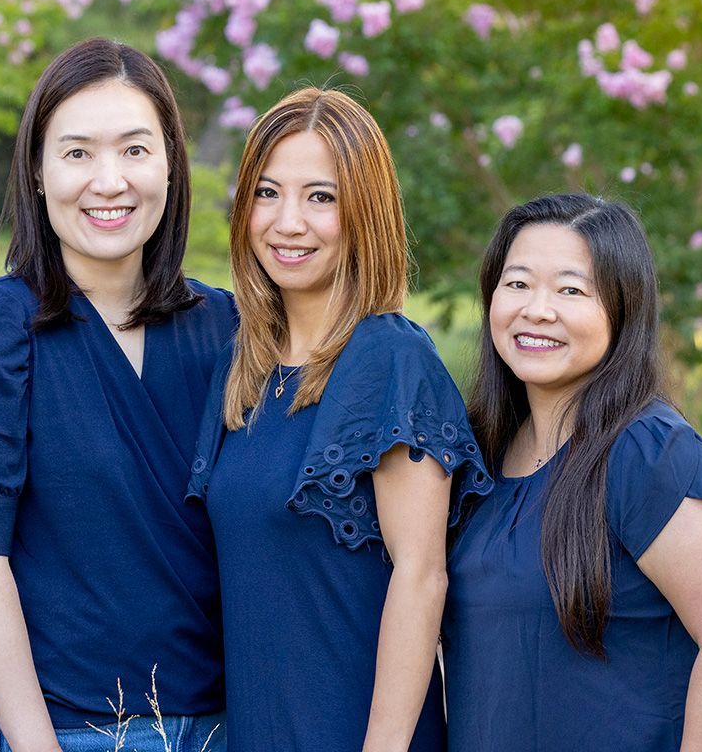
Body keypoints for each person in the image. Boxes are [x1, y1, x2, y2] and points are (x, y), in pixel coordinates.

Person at [0, 38, 235, 752]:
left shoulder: (227, 327)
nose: (109, 181)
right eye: (77, 153)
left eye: (135, 150)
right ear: (37, 172)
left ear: (171, 163)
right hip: (61, 728)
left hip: (224, 725)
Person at [187, 87, 487, 751]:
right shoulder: (242, 367)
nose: (287, 221)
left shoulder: (390, 359)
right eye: (267, 193)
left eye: (320, 197)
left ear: (363, 212)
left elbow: (421, 577)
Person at [443, 193, 702, 750]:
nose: (537, 309)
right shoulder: (480, 452)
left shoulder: (650, 454)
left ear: (623, 309)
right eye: (518, 283)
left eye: (571, 290)